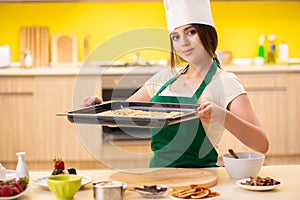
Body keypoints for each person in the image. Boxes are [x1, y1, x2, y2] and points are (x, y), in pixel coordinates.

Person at [83, 0, 269, 168]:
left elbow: (261, 144)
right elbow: (120, 116)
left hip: (202, 181)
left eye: (191, 32)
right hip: (157, 179)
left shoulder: (226, 83)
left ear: (208, 33)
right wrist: (100, 107)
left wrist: (222, 115)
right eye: (176, 36)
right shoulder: (163, 79)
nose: (184, 43)